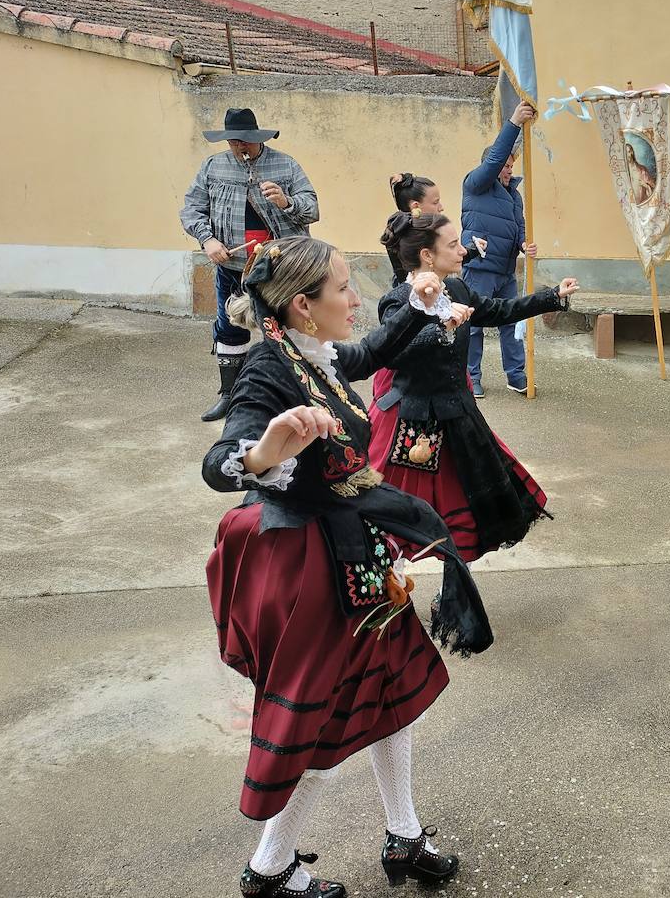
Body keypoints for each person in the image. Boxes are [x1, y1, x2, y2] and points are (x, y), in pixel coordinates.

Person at [204, 236, 491, 896]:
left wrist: (418, 309)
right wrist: (257, 454)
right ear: (304, 305)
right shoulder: (268, 371)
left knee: (392, 700)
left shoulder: (317, 357)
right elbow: (219, 460)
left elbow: (373, 351)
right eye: (342, 289)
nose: (356, 298)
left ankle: (403, 834)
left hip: (358, 565)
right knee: (322, 727)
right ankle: (270, 868)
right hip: (318, 577)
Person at [369, 190, 579, 563]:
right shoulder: (398, 301)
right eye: (453, 245)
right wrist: (442, 327)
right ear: (427, 256)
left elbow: (497, 310)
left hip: (458, 417)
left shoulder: (457, 288)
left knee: (464, 517)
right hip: (411, 422)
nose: (463, 250)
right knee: (391, 522)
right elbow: (394, 350)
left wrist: (552, 297)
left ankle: (454, 601)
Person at [180, 108, 319, 422]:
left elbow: (312, 208)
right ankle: (230, 397)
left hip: (281, 265)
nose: (241, 147)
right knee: (229, 326)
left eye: (246, 141)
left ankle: (302, 393)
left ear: (258, 138)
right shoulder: (213, 166)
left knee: (289, 326)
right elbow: (191, 209)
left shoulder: (285, 163)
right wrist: (208, 241)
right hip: (233, 264)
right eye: (234, 142)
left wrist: (287, 202)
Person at [461, 100, 538, 398]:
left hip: (506, 271)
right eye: (504, 165)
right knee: (475, 324)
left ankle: (516, 375)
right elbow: (492, 162)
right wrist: (514, 123)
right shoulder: (475, 184)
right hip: (479, 268)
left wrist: (524, 244)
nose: (507, 170)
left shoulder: (514, 195)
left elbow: (519, 227)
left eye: (510, 166)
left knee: (512, 321)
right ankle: (471, 376)